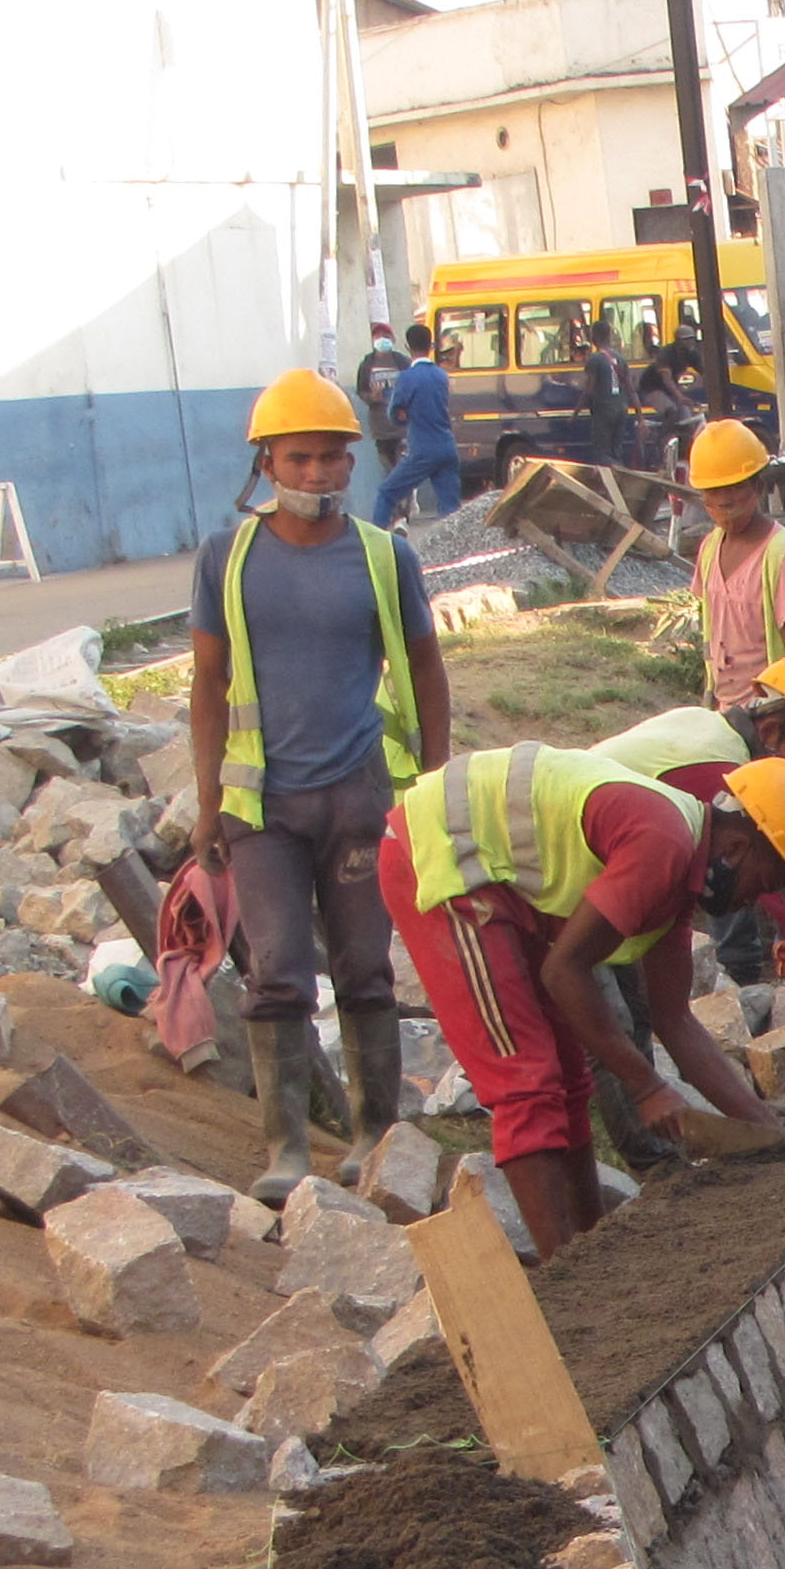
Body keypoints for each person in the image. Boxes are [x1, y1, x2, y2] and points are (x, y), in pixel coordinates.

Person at [190, 368, 455, 1202]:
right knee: (276, 975)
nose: (314, 476)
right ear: (265, 464)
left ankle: (374, 1132)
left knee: (366, 967)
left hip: (359, 797)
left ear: (352, 464)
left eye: (330, 459)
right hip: (261, 806)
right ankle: (286, 1149)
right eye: (297, 459)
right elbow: (206, 682)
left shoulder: (384, 558)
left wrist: (434, 781)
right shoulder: (225, 560)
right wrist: (205, 805)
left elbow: (424, 665)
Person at [379, 743, 785, 1257]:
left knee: (571, 1076)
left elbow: (676, 1022)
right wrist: (646, 1086)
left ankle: (589, 1248)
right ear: (736, 849)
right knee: (525, 1078)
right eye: (766, 881)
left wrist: (767, 1133)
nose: (753, 900)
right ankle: (566, 1276)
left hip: (506, 885)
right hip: (445, 856)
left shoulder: (681, 873)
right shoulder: (664, 843)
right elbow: (564, 972)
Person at [591, 654, 785, 1016]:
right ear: (771, 730)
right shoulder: (720, 770)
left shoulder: (706, 726)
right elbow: (779, 883)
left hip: (601, 861)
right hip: (568, 867)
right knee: (619, 1013)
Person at [682, 418, 785, 713]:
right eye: (713, 491)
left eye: (732, 488)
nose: (722, 501)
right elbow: (715, 631)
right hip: (725, 709)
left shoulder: (782, 556)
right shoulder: (709, 549)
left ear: (757, 486)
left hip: (772, 713)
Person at [372, 322, 461, 522]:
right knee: (451, 509)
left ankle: (376, 540)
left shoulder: (407, 378)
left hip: (422, 448)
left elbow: (395, 414)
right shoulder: (441, 375)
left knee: (387, 493)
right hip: (447, 446)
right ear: (431, 346)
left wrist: (402, 414)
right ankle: (456, 549)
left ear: (407, 348)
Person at [352, 322, 407, 478]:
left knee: (404, 469)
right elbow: (361, 391)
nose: (382, 339)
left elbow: (412, 387)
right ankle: (397, 500)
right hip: (381, 429)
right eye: (378, 336)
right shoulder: (367, 364)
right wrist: (371, 397)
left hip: (402, 427)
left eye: (386, 336)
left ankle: (407, 499)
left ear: (393, 339)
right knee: (389, 470)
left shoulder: (402, 362)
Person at [579, 317, 630, 468]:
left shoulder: (594, 359)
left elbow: (589, 388)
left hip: (604, 410)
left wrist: (576, 412)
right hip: (621, 408)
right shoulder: (620, 358)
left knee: (602, 453)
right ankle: (619, 480)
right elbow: (630, 387)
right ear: (609, 336)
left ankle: (613, 479)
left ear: (593, 337)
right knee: (616, 450)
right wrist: (639, 415)